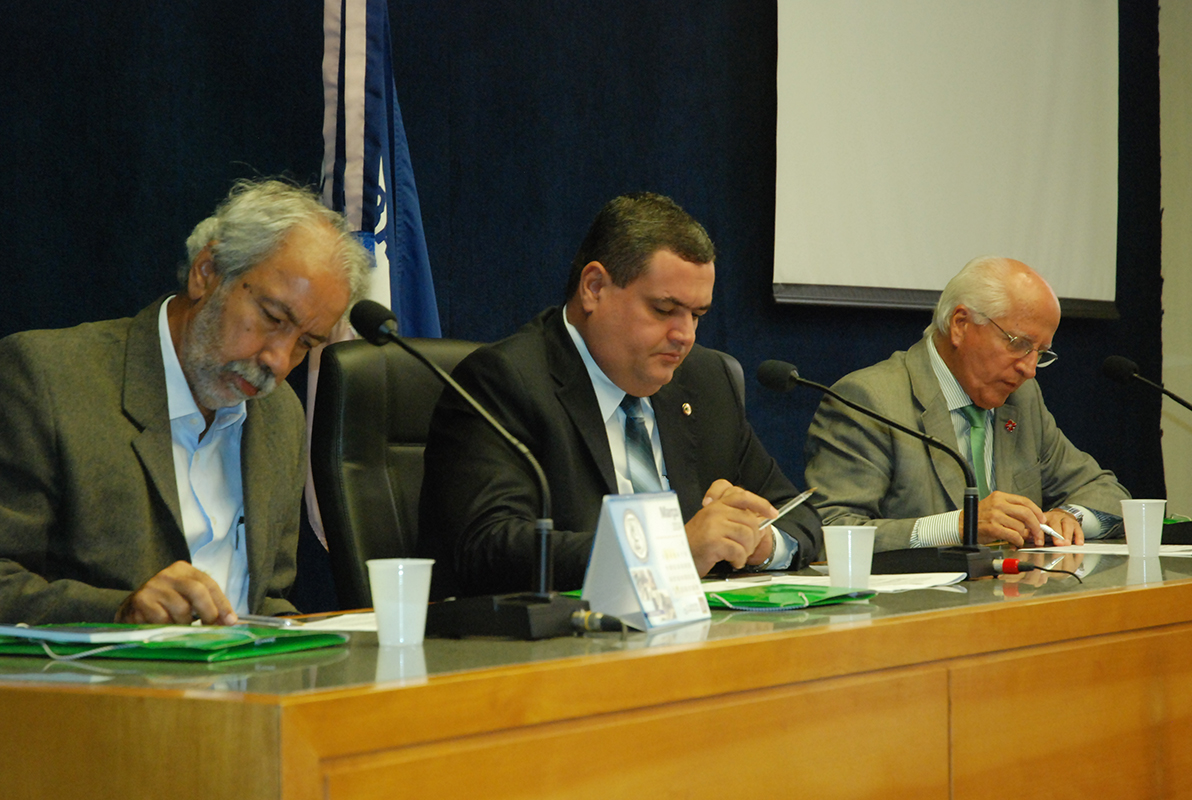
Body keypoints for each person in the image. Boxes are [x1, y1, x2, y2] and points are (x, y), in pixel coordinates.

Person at [0, 179, 370, 625]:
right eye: (273, 318)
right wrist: (119, 612)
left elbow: (267, 599)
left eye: (306, 342)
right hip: (103, 688)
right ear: (207, 273)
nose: (279, 360)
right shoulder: (49, 378)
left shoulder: (280, 416)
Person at [418, 192, 821, 597]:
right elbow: (490, 549)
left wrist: (760, 544)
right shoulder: (505, 381)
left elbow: (800, 516)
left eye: (697, 315)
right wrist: (669, 552)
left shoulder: (705, 380)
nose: (686, 336)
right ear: (594, 287)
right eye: (664, 310)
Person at [804, 256, 1129, 552]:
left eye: (1041, 353)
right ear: (961, 324)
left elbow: (1107, 490)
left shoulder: (1022, 399)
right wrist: (957, 527)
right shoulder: (871, 400)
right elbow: (828, 531)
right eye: (1020, 345)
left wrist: (1067, 515)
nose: (1029, 370)